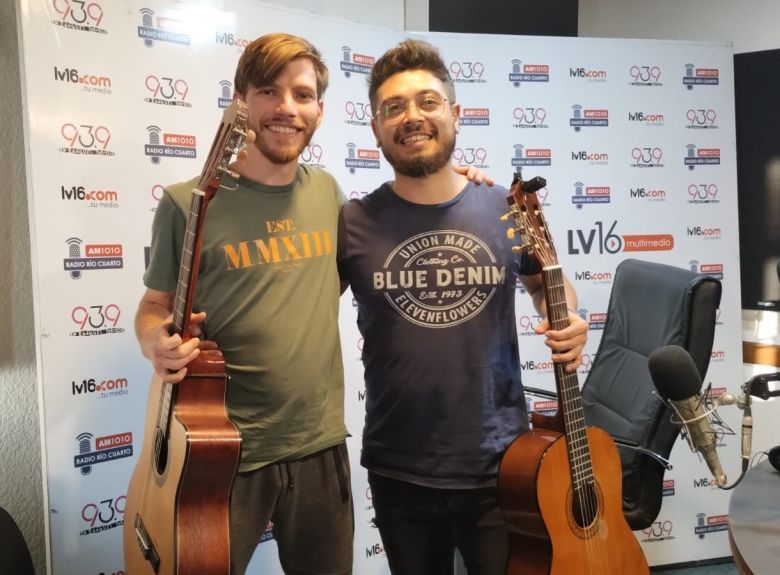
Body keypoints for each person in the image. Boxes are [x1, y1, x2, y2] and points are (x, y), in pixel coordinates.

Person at [337, 39, 589, 575]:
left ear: (454, 114)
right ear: (376, 128)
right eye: (394, 107)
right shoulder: (352, 223)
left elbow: (551, 290)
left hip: (502, 463)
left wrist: (571, 318)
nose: (412, 116)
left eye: (428, 102)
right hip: (398, 467)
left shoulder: (506, 207)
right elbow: (297, 305)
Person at [137, 33, 352, 575]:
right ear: (240, 101)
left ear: (320, 111)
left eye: (302, 95)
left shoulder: (329, 194)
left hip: (317, 443)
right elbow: (153, 305)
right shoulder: (187, 202)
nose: (286, 108)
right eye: (268, 91)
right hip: (218, 451)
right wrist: (153, 341)